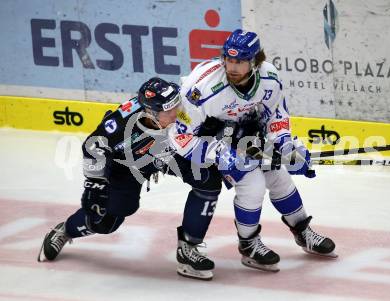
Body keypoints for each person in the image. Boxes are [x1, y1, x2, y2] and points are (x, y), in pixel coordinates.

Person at [169, 29, 337, 273]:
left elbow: (275, 117)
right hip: (209, 142)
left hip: (247, 135)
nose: (232, 67)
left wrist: (286, 145)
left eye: (240, 61)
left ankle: (302, 231)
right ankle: (248, 245)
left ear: (255, 61)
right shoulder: (201, 87)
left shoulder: (269, 77)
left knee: (278, 175)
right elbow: (179, 135)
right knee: (253, 184)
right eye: (229, 59)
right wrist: (219, 154)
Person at [38, 77, 223, 280]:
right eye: (168, 111)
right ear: (150, 113)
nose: (176, 113)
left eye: (176, 106)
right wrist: (95, 186)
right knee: (106, 221)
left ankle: (189, 248)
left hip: (168, 151)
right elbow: (92, 147)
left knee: (208, 179)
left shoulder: (178, 99)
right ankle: (66, 230)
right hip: (126, 166)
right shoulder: (118, 126)